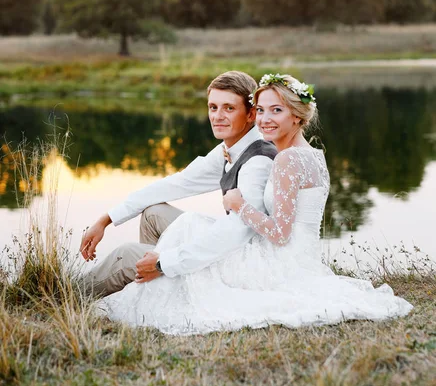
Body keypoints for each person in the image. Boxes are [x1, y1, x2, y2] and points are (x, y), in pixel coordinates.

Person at [97, 73, 412, 334]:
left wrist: (238, 204)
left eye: (276, 111)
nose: (264, 119)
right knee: (186, 226)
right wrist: (108, 218)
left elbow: (279, 233)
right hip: (301, 259)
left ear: (298, 115)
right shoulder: (313, 156)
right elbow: (182, 182)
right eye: (261, 110)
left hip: (279, 261)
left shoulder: (286, 159)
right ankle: (151, 278)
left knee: (188, 231)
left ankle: (140, 280)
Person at [80, 71, 277, 297]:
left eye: (229, 108)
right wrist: (105, 219)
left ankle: (62, 297)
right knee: (153, 212)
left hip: (240, 259)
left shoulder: (257, 161)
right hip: (232, 243)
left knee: (125, 255)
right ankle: (153, 291)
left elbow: (238, 231)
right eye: (213, 107)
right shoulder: (232, 147)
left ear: (251, 113)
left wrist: (165, 262)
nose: (218, 116)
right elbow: (176, 183)